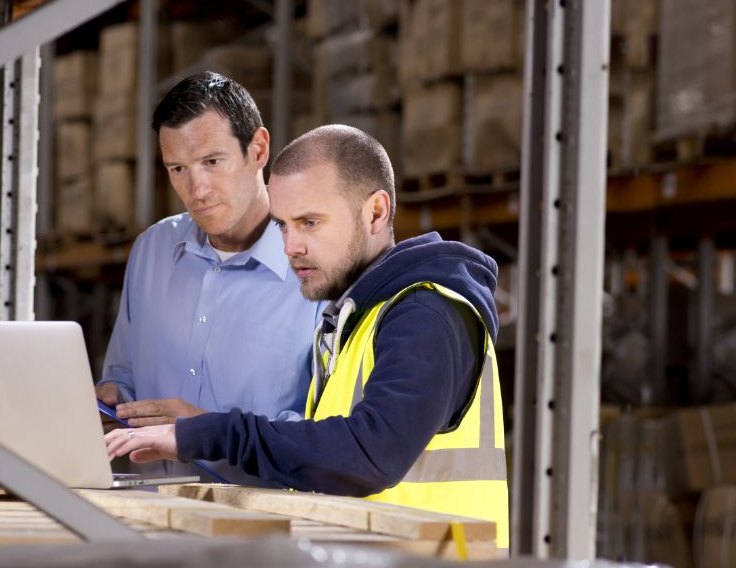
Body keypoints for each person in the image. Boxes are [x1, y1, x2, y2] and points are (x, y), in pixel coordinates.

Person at [105, 124, 509, 549]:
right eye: (283, 225)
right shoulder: (356, 319)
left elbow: (367, 456)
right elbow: (323, 458)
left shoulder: (427, 313)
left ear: (376, 212)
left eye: (309, 223)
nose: (290, 246)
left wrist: (207, 432)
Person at [95, 72, 322, 485]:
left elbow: (328, 436)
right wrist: (110, 403)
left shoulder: (316, 267)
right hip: (151, 515)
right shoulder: (152, 251)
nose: (196, 189)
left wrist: (207, 429)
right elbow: (122, 377)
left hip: (267, 527)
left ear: (258, 149)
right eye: (177, 168)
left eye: (212, 162)